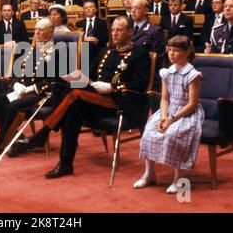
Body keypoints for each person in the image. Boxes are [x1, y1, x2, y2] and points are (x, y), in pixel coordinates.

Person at [17, 17, 150, 177]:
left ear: (130, 32)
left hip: (120, 102)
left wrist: (112, 87)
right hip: (95, 98)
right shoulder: (106, 51)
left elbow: (141, 84)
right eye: (113, 30)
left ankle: (43, 134)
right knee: (67, 94)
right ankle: (65, 163)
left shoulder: (139, 54)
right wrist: (77, 77)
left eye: (119, 30)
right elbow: (90, 73)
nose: (114, 33)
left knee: (75, 95)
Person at [0, 18, 61, 155]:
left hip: (41, 94)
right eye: (36, 29)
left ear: (51, 33)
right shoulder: (32, 50)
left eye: (41, 30)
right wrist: (16, 84)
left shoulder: (56, 52)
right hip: (22, 92)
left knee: (14, 106)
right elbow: (19, 71)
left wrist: (30, 89)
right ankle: (15, 138)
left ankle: (0, 143)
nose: (37, 32)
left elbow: (53, 80)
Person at [135, 35, 203, 194]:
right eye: (169, 50)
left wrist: (172, 120)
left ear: (187, 52)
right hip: (169, 110)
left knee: (174, 134)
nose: (171, 54)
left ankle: (179, 178)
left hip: (186, 113)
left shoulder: (193, 75)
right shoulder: (167, 72)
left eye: (176, 51)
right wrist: (164, 117)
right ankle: (149, 174)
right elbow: (165, 98)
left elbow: (192, 104)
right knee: (149, 131)